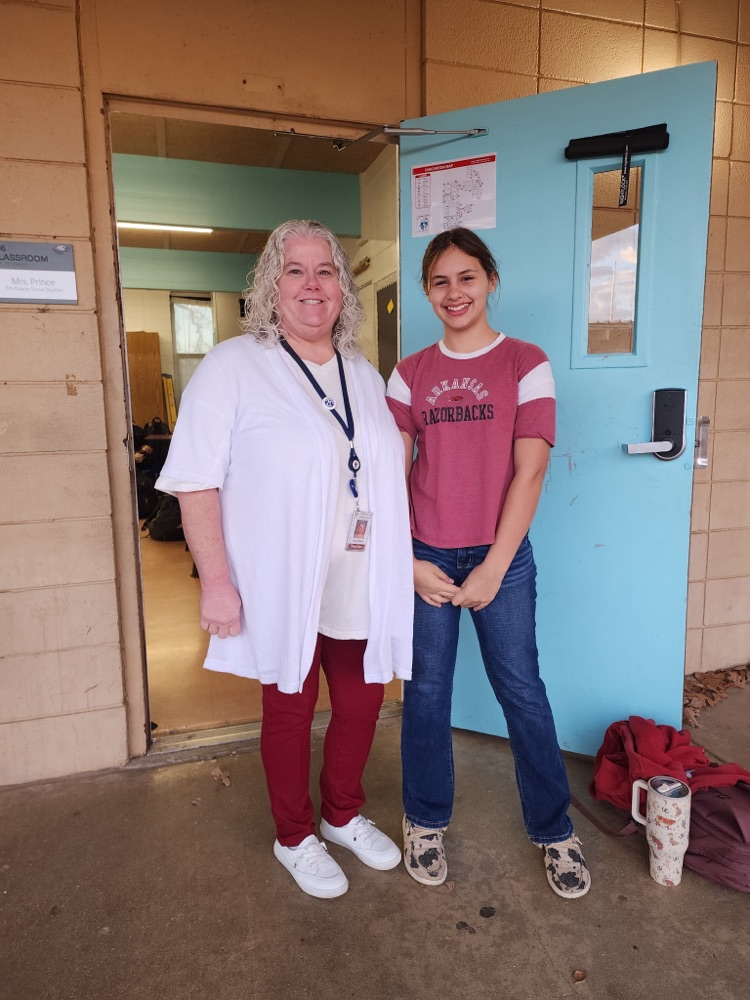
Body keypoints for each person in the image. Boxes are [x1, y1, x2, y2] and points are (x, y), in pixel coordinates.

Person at [156, 220, 414, 899]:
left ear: (342, 289)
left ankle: (342, 815)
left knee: (361, 705)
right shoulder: (234, 366)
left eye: (324, 270)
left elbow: (383, 466)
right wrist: (216, 581)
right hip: (284, 583)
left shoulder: (362, 372)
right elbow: (195, 480)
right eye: (294, 271)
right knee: (290, 710)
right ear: (271, 286)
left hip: (358, 578)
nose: (311, 284)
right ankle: (294, 835)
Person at [386, 227, 590, 899]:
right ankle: (424, 820)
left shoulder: (524, 362)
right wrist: (405, 560)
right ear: (426, 291)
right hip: (425, 556)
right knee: (427, 695)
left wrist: (495, 567)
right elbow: (390, 475)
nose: (454, 292)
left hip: (501, 555)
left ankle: (555, 829)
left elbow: (530, 473)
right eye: (440, 281)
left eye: (467, 277)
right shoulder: (410, 373)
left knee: (522, 691)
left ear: (490, 281)